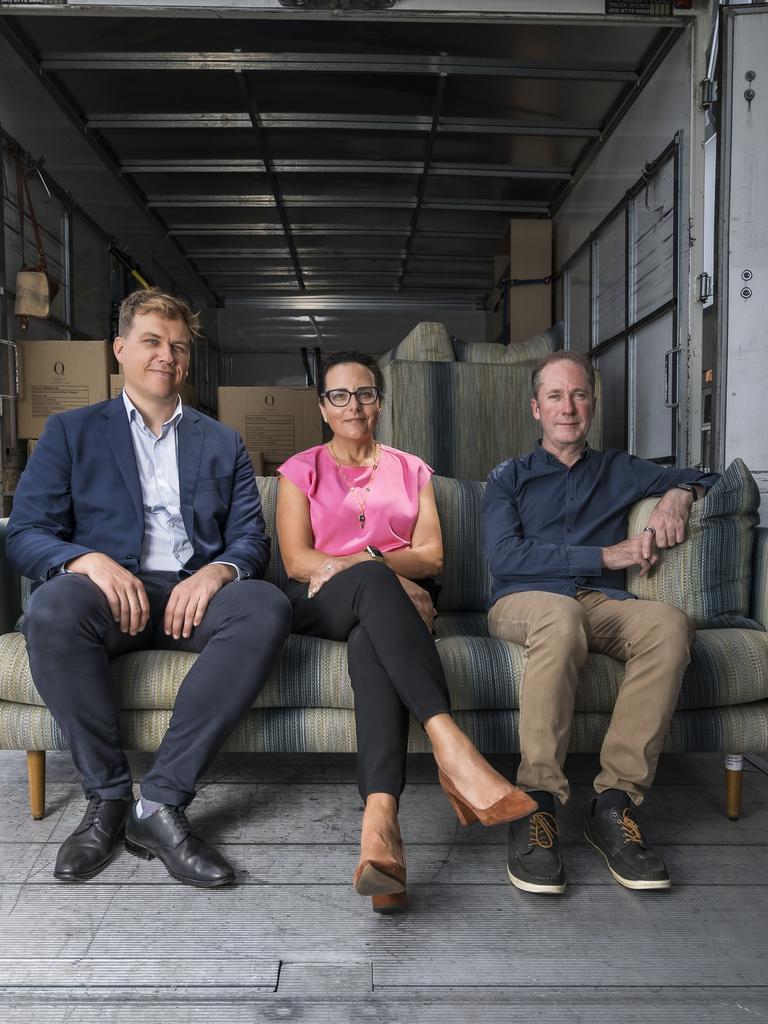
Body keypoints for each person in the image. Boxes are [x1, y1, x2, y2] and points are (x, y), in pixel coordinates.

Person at [7, 288, 292, 888]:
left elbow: (250, 541)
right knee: (52, 604)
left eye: (179, 347)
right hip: (108, 596)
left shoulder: (223, 441)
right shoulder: (69, 432)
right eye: (152, 342)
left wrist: (218, 572)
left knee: (265, 603)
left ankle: (158, 804)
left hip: (196, 598)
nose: (167, 355)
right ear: (119, 350)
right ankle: (107, 798)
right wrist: (86, 560)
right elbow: (26, 534)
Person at [276, 351, 536, 912]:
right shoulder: (300, 470)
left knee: (374, 643)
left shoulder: (411, 468)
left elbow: (434, 557)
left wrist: (373, 566)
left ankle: (382, 834)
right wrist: (379, 567)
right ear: (323, 408)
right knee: (373, 582)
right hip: (320, 600)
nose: (354, 405)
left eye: (365, 393)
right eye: (340, 395)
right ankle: (453, 748)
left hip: (388, 607)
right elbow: (297, 560)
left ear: (380, 401)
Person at [483, 350, 719, 895]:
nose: (569, 407)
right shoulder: (507, 478)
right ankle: (536, 802)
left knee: (668, 624)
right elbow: (504, 558)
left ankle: (614, 803)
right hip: (523, 602)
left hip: (599, 604)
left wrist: (679, 495)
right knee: (562, 615)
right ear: (535, 409)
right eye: (556, 396)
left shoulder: (622, 469)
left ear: (592, 404)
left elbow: (712, 475)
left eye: (580, 395)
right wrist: (605, 555)